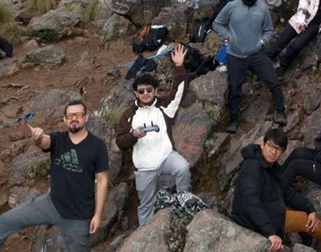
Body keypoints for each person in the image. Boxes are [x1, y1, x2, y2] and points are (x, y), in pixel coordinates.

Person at [0, 100, 108, 251]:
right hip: (51, 204)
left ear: (86, 117)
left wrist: (98, 215)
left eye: (78, 114)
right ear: (65, 120)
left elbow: (102, 181)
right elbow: (44, 142)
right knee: (5, 221)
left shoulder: (97, 146)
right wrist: (37, 137)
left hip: (78, 217)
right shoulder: (58, 139)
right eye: (70, 116)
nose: (74, 118)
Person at [230, 128, 321, 251]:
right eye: (270, 146)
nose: (273, 152)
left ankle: (307, 237)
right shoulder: (252, 167)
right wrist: (270, 233)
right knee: (305, 220)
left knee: (303, 211)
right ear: (262, 144)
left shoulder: (271, 166)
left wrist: (310, 208)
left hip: (268, 207)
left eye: (278, 149)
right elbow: (251, 202)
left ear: (283, 153)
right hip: (250, 219)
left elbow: (286, 192)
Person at [115, 44, 191, 226]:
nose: (146, 94)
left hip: (166, 156)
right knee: (146, 207)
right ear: (136, 93)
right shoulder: (129, 114)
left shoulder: (165, 106)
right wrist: (133, 135)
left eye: (149, 90)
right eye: (141, 91)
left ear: (155, 90)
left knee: (182, 167)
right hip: (144, 166)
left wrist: (179, 66)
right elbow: (120, 141)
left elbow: (179, 91)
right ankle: (145, 237)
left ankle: (184, 202)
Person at [212, 0, 286, 132]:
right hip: (235, 55)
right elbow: (217, 23)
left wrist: (262, 42)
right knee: (234, 90)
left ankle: (280, 113)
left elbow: (268, 30)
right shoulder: (232, 6)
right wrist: (228, 36)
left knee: (273, 82)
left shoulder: (262, 8)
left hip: (256, 54)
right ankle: (233, 122)